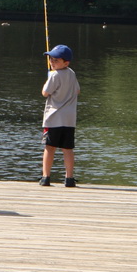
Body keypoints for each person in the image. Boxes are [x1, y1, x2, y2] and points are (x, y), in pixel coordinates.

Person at [39, 44, 80, 187]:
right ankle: (69, 178)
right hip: (69, 119)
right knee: (68, 149)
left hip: (53, 118)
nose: (52, 62)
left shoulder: (54, 75)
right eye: (51, 59)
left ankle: (46, 177)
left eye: (56, 60)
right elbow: (77, 91)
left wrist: (49, 79)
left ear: (66, 62)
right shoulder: (72, 73)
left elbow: (45, 93)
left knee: (49, 147)